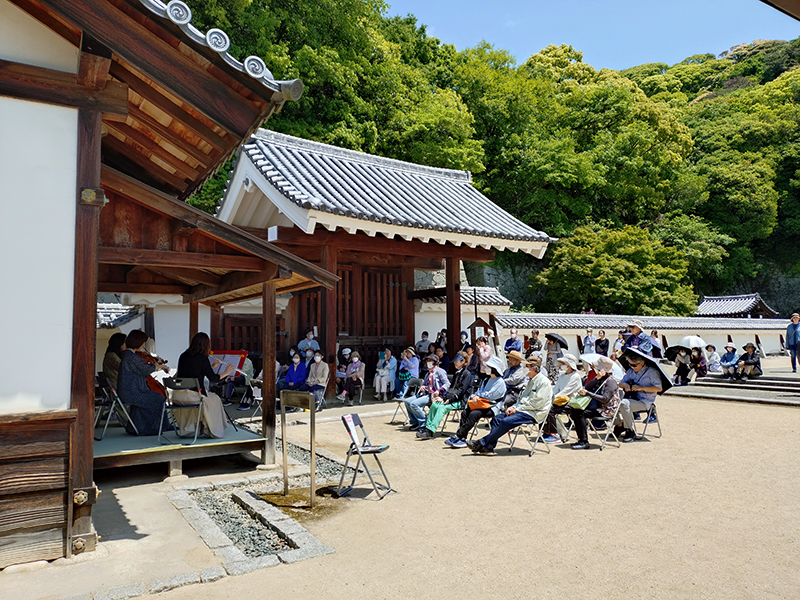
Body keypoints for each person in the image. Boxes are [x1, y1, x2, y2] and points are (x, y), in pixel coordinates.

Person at [466, 356, 553, 455]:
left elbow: (537, 403)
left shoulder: (543, 382)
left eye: (526, 366)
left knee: (506, 421)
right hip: (524, 409)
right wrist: (514, 407)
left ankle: (481, 442)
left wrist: (517, 409)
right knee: (497, 419)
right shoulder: (530, 381)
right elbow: (522, 399)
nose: (524, 368)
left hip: (534, 413)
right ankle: (488, 447)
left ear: (533, 368)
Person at [174, 332, 233, 439]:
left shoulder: (183, 355)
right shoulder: (202, 358)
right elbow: (213, 378)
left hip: (178, 395)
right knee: (215, 398)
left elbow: (193, 371)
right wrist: (226, 372)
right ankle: (209, 429)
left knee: (209, 398)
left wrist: (211, 366)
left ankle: (200, 426)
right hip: (193, 397)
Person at [117, 330, 171, 436]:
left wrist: (156, 364)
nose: (143, 345)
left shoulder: (128, 355)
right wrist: (161, 366)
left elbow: (141, 369)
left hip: (130, 390)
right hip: (131, 392)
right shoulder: (131, 357)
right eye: (142, 343)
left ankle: (137, 427)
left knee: (153, 398)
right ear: (138, 342)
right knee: (158, 398)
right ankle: (155, 427)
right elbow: (145, 368)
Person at [446, 356, 507, 448]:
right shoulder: (486, 380)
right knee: (465, 412)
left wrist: (478, 396)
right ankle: (462, 438)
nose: (486, 368)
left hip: (492, 407)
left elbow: (492, 395)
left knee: (473, 414)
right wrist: (476, 396)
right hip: (480, 404)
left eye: (488, 367)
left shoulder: (500, 382)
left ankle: (458, 435)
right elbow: (479, 391)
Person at [418, 353, 474, 440]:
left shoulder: (467, 374)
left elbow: (461, 391)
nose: (455, 363)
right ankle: (427, 428)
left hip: (460, 401)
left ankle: (431, 431)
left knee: (441, 408)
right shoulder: (457, 373)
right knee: (435, 404)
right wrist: (443, 398)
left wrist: (450, 400)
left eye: (456, 361)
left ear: (463, 361)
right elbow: (451, 389)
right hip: (452, 399)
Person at [569, 355, 619, 449]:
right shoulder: (600, 379)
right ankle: (581, 439)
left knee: (580, 413)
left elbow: (605, 398)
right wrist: (596, 378)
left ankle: (584, 441)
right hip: (597, 407)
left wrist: (588, 393)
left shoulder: (610, 382)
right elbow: (587, 387)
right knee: (574, 410)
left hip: (606, 410)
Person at [617, 351, 663, 442]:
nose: (632, 367)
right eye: (630, 364)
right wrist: (625, 385)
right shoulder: (631, 371)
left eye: (634, 365)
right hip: (632, 398)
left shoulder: (652, 372)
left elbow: (659, 388)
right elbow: (620, 383)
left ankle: (629, 430)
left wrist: (641, 388)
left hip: (645, 401)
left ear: (642, 363)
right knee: (613, 402)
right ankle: (620, 425)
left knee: (623, 403)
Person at [404, 354, 450, 431]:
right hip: (425, 393)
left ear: (435, 362)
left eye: (430, 361)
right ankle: (415, 422)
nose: (428, 363)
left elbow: (447, 383)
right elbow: (425, 384)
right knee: (407, 401)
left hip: (433, 395)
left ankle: (424, 422)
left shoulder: (440, 371)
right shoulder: (427, 373)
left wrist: (439, 390)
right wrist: (423, 386)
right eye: (427, 361)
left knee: (413, 404)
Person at [543, 354, 582, 443]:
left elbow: (566, 391)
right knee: (544, 407)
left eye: (564, 363)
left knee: (550, 409)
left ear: (570, 365)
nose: (562, 365)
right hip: (559, 401)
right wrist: (548, 397)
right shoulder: (561, 376)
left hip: (572, 402)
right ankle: (547, 431)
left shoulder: (575, 376)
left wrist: (552, 399)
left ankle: (554, 434)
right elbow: (556, 389)